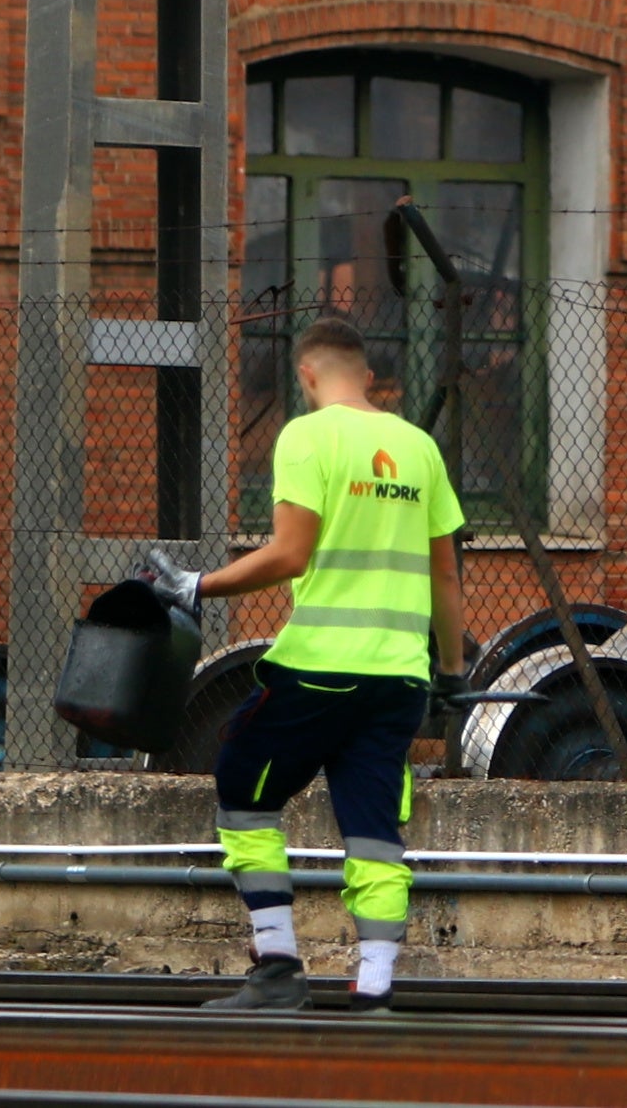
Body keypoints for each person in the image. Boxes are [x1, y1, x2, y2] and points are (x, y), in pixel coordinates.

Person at [136, 314, 464, 1014]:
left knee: (242, 787)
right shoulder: (418, 447)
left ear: (307, 373)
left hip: (319, 667)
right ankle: (374, 986)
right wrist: (453, 674)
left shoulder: (306, 436)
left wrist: (197, 584)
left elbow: (289, 554)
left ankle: (279, 964)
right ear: (368, 375)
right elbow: (447, 577)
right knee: (373, 823)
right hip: (400, 675)